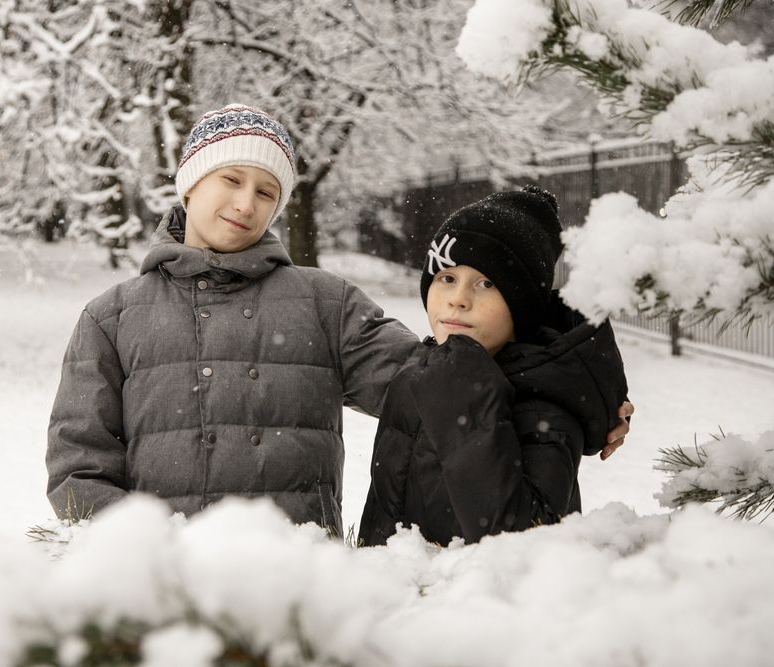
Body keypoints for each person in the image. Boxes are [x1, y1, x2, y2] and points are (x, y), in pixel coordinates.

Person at [46, 104, 633, 536]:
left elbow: (438, 381)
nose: (246, 203)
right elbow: (80, 466)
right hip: (166, 596)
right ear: (190, 183)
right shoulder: (111, 318)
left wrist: (576, 391)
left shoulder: (324, 304)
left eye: (267, 192)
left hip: (304, 592)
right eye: (231, 180)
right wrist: (148, 555)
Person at [358, 186, 630, 547]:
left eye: (486, 283)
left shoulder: (544, 404)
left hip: (476, 584)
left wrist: (467, 395)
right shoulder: (423, 369)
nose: (458, 299)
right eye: (447, 278)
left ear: (522, 306)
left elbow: (523, 542)